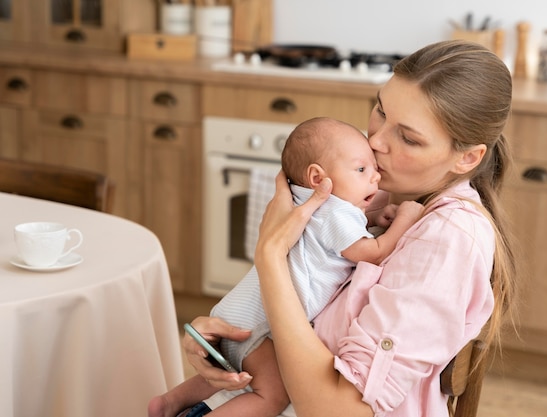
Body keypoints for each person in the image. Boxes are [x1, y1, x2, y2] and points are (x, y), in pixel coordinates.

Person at [179, 39, 518, 417]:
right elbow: (295, 292)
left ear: (467, 157)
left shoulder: (446, 240)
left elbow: (338, 412)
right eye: (380, 110)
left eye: (407, 137)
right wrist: (228, 337)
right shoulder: (376, 192)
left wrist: (270, 256)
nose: (374, 140)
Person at [149, 117, 424, 417]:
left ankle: (169, 402)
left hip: (240, 315)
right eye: (361, 169)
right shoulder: (335, 210)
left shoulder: (309, 202)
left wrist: (374, 219)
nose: (375, 177)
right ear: (318, 179)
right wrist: (405, 219)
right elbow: (372, 252)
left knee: (229, 375)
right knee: (271, 395)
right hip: (261, 326)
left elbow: (338, 234)